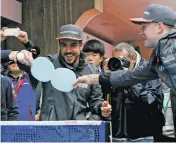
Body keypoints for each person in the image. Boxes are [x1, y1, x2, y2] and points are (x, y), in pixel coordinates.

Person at [15, 24, 111, 120]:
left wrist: (101, 109)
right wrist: (23, 55)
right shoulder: (49, 63)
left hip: (79, 131)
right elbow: (29, 64)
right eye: (64, 45)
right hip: (51, 130)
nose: (68, 50)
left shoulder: (91, 71)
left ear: (81, 46)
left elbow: (96, 101)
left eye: (73, 45)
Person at [73, 4, 176, 93]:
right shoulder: (157, 59)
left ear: (159, 27)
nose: (141, 32)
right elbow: (130, 76)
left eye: (144, 27)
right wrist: (93, 78)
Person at [110, 43, 165, 142]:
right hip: (116, 136)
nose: (118, 63)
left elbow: (152, 101)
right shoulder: (113, 73)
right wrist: (108, 79)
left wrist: (130, 80)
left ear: (134, 58)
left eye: (122, 60)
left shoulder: (149, 71)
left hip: (142, 136)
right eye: (115, 60)